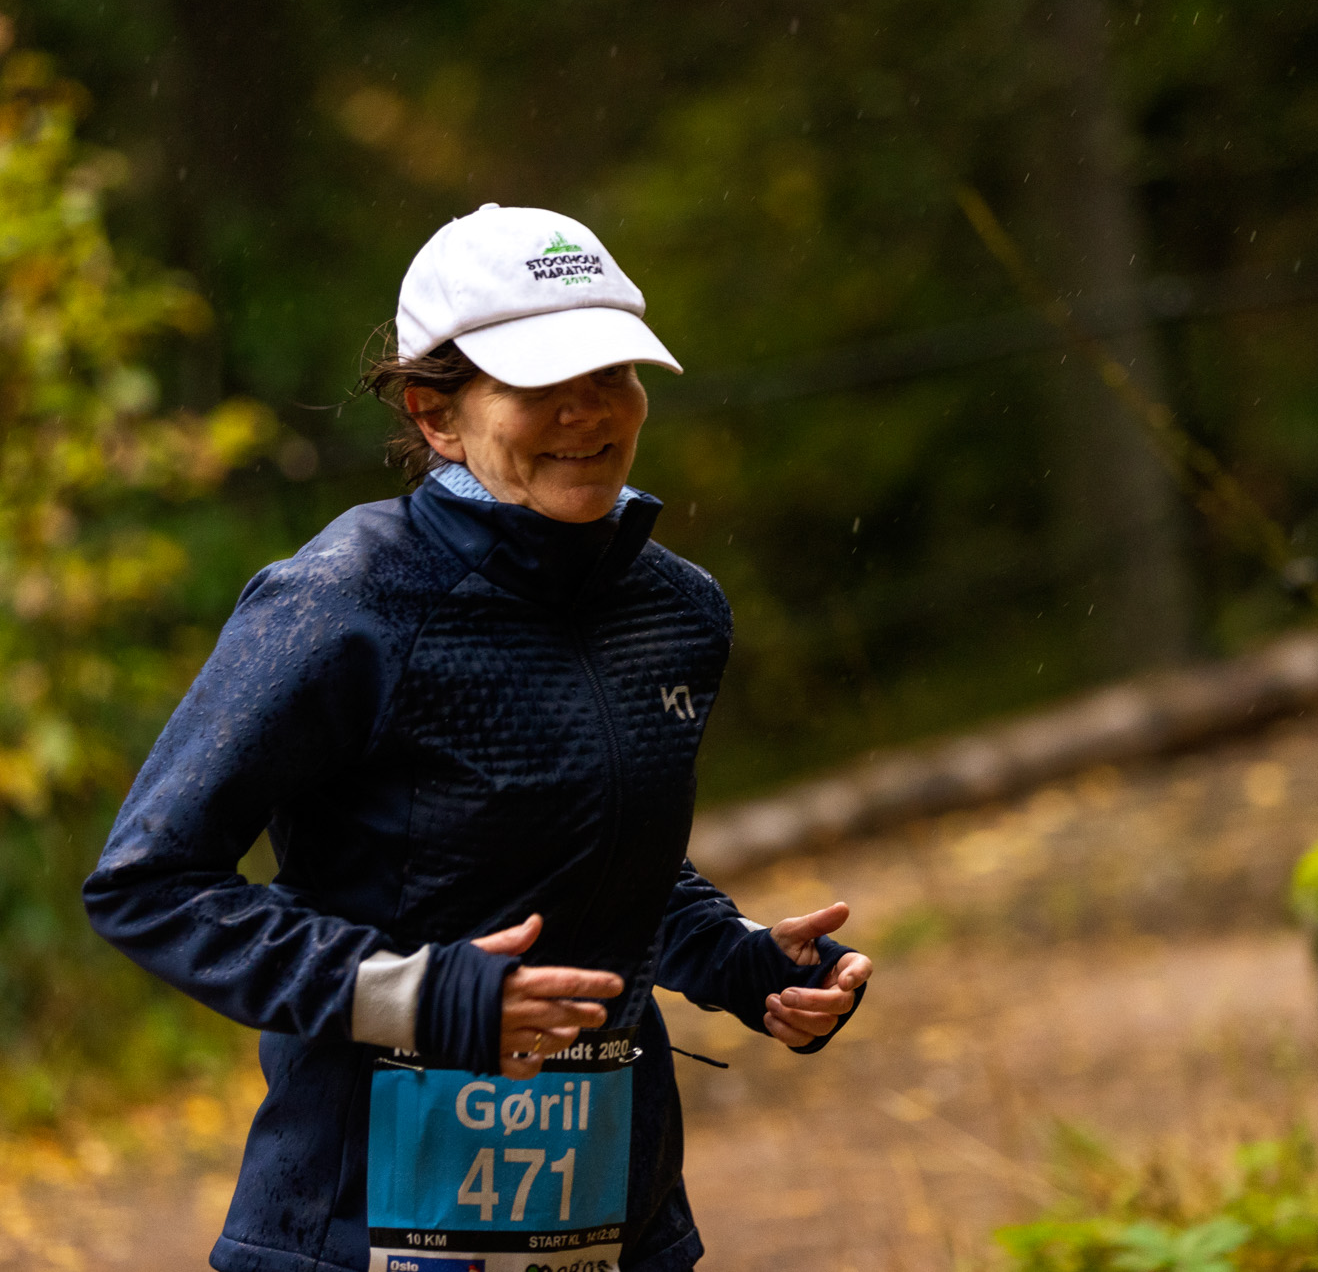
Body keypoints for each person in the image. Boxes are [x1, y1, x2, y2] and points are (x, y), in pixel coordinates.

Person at [83, 203, 872, 1272]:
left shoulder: (678, 610)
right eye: (540, 384)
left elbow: (592, 861)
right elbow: (147, 883)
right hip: (352, 1226)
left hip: (614, 1224)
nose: (588, 411)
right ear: (436, 415)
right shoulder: (343, 602)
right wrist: (421, 995)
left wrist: (738, 962)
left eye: (612, 372)